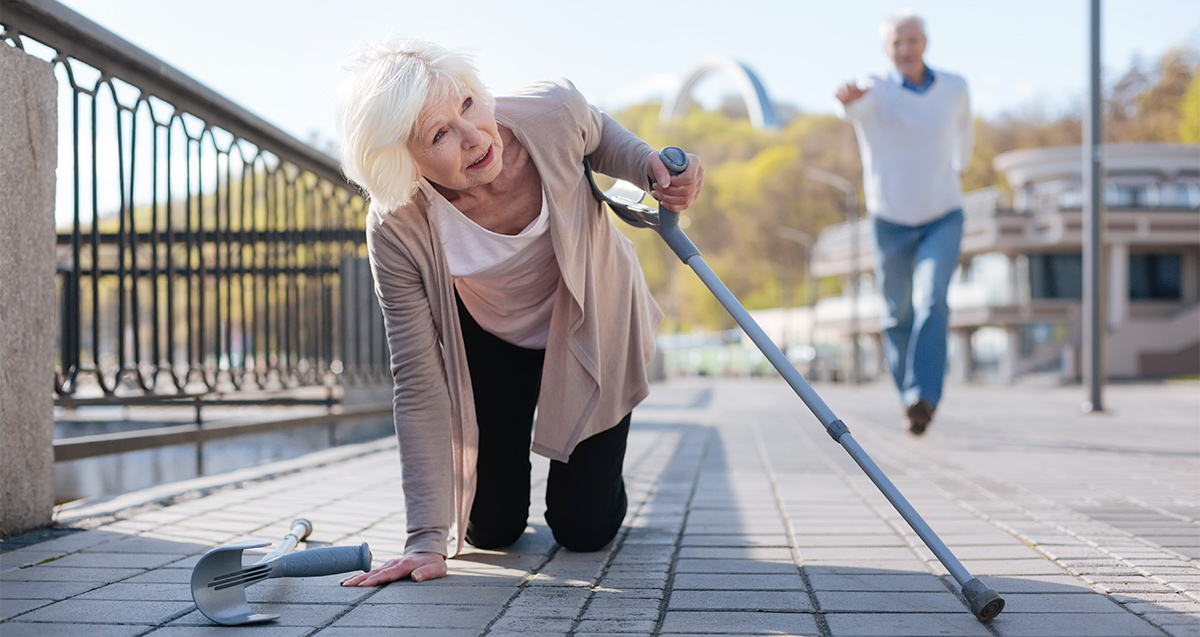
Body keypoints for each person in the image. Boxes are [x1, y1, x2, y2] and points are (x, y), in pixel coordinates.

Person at [333, 37, 703, 586]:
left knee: (583, 530)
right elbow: (417, 378)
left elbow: (598, 134)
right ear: (403, 161)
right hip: (491, 338)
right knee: (491, 529)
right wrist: (425, 539)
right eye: (438, 135)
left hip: (586, 320)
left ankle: (595, 473)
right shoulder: (397, 226)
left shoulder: (551, 112)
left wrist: (647, 164)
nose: (473, 135)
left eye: (466, 104)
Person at [835, 10, 972, 435]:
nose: (905, 49)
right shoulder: (875, 90)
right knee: (896, 314)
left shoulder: (954, 88)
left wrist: (960, 165)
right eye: (896, 42)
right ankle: (908, 398)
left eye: (911, 40)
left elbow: (965, 130)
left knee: (934, 300)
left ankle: (924, 396)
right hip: (889, 219)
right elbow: (855, 109)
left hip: (942, 215)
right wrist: (848, 99)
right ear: (886, 50)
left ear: (925, 43)